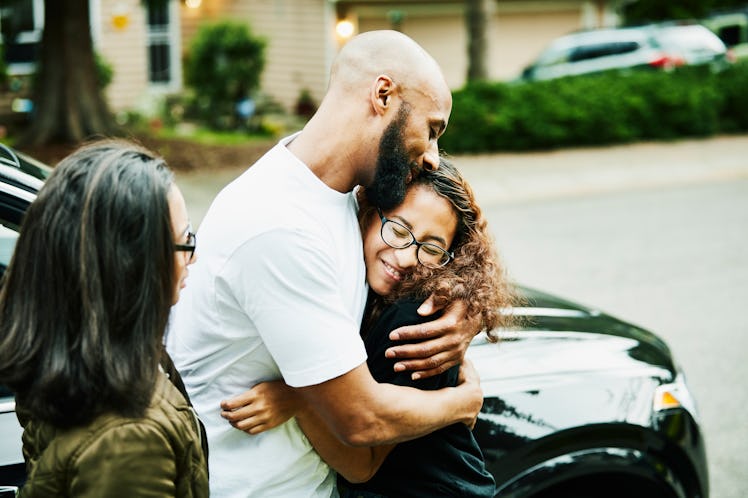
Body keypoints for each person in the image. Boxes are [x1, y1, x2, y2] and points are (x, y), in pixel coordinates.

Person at [166, 30, 483, 497]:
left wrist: (464, 312)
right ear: (382, 95)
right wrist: (462, 400)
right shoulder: (280, 226)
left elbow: (444, 238)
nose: (433, 157)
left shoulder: (338, 194)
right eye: (432, 129)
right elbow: (361, 420)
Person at [222, 157, 519, 497]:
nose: (407, 256)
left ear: (454, 257)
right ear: (368, 212)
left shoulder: (417, 320)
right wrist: (461, 401)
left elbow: (361, 465)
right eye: (398, 230)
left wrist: (302, 397)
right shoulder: (357, 289)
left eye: (432, 247)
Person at [0, 140, 208, 497]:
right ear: (132, 266)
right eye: (184, 241)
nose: (193, 258)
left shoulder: (67, 361)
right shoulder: (128, 438)